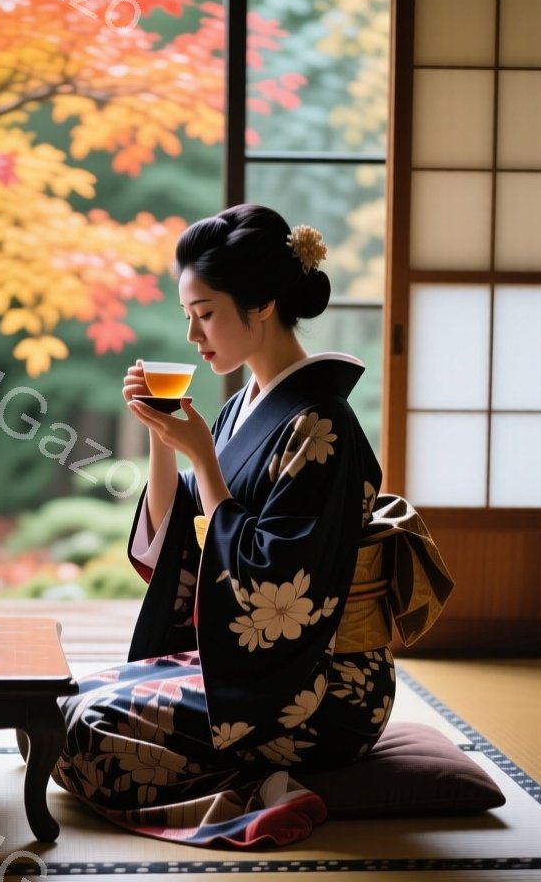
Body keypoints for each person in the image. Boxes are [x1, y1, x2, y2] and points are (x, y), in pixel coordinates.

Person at [51, 203, 390, 848]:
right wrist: (163, 439)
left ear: (262, 305)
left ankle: (264, 794)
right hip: (250, 668)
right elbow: (179, 535)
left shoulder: (322, 425)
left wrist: (204, 459)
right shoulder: (242, 408)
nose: (192, 334)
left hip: (320, 688)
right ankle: (262, 784)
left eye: (204, 314)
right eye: (188, 315)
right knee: (56, 707)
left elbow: (277, 589)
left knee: (87, 736)